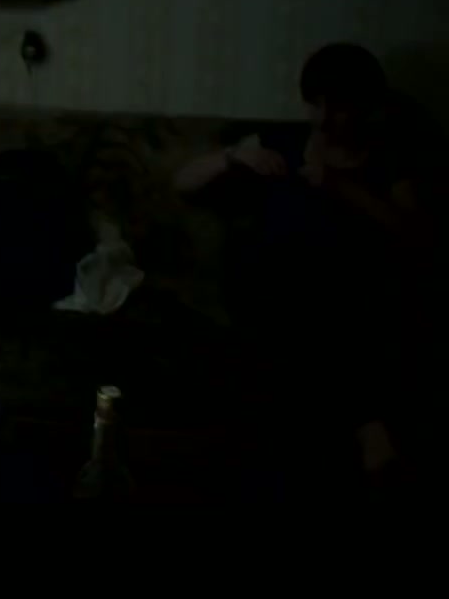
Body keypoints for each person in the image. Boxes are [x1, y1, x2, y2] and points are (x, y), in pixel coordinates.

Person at [174, 42, 432, 496]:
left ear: (366, 108)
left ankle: (335, 437)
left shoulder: (389, 158)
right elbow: (182, 183)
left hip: (343, 300)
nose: (324, 120)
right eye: (315, 104)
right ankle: (367, 423)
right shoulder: (283, 145)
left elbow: (415, 235)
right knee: (292, 288)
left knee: (334, 305)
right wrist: (232, 157)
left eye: (339, 107)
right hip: (266, 285)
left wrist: (338, 186)